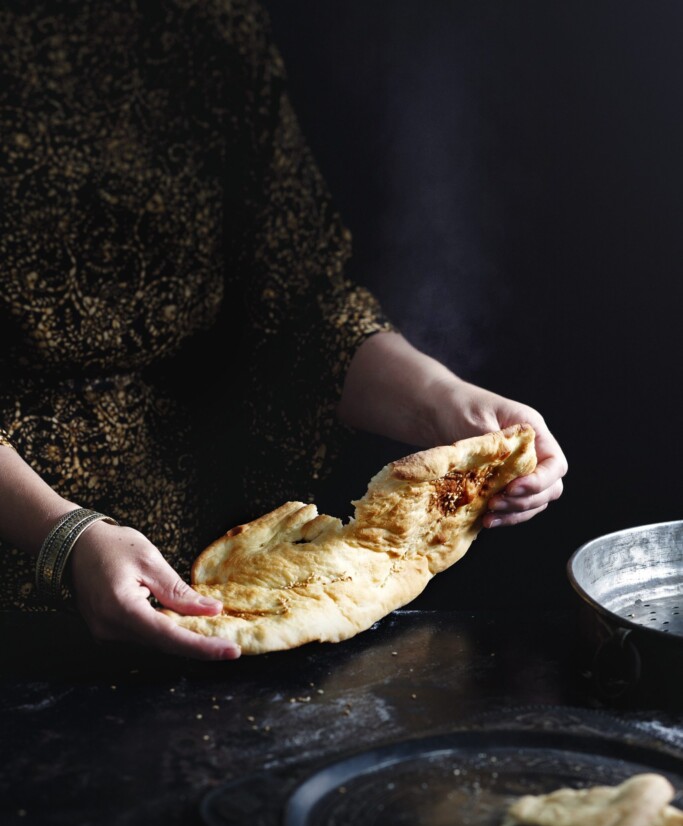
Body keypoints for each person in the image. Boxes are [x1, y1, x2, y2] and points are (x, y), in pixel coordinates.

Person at [0, 0, 567, 660]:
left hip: (229, 568)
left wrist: (452, 407)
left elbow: (298, 302)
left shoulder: (207, 25)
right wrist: (62, 536)